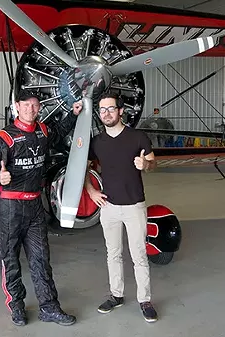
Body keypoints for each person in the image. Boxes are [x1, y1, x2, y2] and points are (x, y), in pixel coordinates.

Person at [0, 89, 82, 327]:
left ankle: (49, 307)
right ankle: (16, 306)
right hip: (9, 207)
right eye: (26, 104)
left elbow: (58, 133)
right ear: (17, 106)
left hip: (35, 206)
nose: (31, 109)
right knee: (10, 258)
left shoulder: (43, 131)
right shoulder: (4, 138)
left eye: (35, 105)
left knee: (41, 259)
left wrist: (74, 113)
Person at [84, 91, 158, 323]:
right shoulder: (97, 142)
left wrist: (145, 163)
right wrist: (91, 191)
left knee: (139, 256)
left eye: (111, 109)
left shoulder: (138, 137)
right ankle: (116, 295)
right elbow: (83, 168)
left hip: (134, 206)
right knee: (113, 254)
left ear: (121, 111)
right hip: (109, 207)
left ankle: (144, 300)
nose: (106, 113)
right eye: (102, 110)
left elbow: (154, 163)